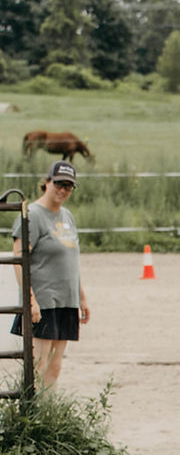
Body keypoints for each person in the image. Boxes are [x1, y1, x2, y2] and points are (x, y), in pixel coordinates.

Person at [10, 160, 91, 387]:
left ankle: (48, 416)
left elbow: (71, 260)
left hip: (66, 299)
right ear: (47, 182)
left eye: (68, 186)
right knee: (38, 364)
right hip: (43, 300)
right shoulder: (32, 215)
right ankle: (29, 415)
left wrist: (81, 297)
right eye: (59, 184)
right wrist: (30, 299)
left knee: (55, 366)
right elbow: (19, 259)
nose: (63, 190)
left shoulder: (67, 216)